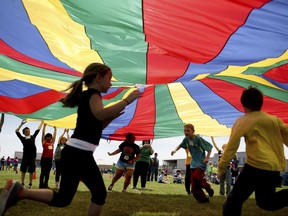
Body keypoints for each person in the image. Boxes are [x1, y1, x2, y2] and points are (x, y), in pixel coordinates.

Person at [0, 62, 141, 216]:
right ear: (98, 77)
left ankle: (20, 192)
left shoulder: (89, 96)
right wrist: (127, 100)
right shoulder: (93, 94)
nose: (111, 82)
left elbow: (96, 126)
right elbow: (100, 114)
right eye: (109, 78)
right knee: (99, 194)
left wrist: (110, 118)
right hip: (79, 154)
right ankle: (20, 191)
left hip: (75, 153)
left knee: (64, 199)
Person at [218, 86, 288, 216]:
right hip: (272, 168)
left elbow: (231, 148)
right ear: (261, 103)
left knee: (234, 201)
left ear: (243, 104)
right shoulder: (274, 120)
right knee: (266, 202)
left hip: (255, 167)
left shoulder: (242, 121)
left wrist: (221, 168)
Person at [171, 124, 214, 203]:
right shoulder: (186, 140)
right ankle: (203, 200)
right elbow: (180, 145)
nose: (186, 132)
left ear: (193, 131)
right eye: (185, 131)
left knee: (196, 178)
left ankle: (208, 188)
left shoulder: (198, 139)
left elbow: (210, 147)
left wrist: (207, 158)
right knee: (194, 187)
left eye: (188, 131)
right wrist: (174, 150)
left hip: (201, 163)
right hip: (193, 164)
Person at [15, 120, 44, 188]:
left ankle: (30, 184)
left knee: (31, 171)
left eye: (29, 131)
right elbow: (16, 131)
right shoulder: (22, 138)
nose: (28, 133)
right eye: (26, 132)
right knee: (23, 170)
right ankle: (22, 183)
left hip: (33, 157)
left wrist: (42, 122)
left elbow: (38, 130)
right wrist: (21, 124)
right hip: (25, 156)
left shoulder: (33, 137)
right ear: (24, 133)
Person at [39, 123, 57, 188]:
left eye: (50, 137)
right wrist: (44, 127)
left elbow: (54, 136)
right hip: (44, 159)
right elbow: (43, 134)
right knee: (43, 172)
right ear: (45, 137)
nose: (49, 138)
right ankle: (41, 185)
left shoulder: (52, 142)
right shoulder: (44, 142)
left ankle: (46, 184)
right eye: (48, 137)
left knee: (47, 173)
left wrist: (55, 129)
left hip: (50, 159)